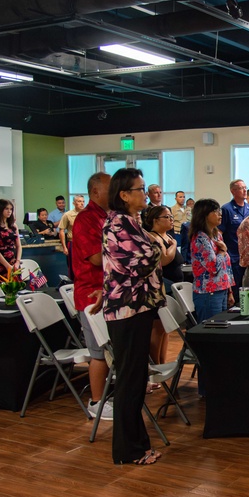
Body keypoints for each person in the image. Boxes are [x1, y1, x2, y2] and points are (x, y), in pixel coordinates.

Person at [99, 167, 165, 465]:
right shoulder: (117, 225)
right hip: (127, 309)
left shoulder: (132, 221)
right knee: (128, 380)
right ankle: (129, 450)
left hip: (138, 306)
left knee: (136, 379)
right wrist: (157, 245)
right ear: (124, 195)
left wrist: (155, 245)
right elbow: (144, 260)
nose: (146, 193)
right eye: (139, 189)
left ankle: (136, 444)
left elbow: (152, 253)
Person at [71, 171, 113, 420]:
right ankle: (96, 402)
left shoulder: (107, 216)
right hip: (90, 294)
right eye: (111, 188)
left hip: (108, 292)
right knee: (99, 352)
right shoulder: (86, 219)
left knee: (110, 350)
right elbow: (96, 258)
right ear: (96, 191)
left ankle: (108, 395)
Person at [142, 204, 180, 366]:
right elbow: (163, 260)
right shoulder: (154, 237)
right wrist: (172, 246)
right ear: (155, 220)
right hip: (159, 287)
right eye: (167, 217)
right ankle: (156, 365)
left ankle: (163, 363)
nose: (171, 220)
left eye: (171, 217)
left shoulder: (167, 236)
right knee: (157, 329)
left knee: (165, 330)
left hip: (170, 287)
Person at [189, 198, 234, 323]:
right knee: (211, 330)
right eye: (215, 211)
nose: (220, 214)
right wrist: (222, 252)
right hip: (208, 292)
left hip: (222, 289)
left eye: (219, 210)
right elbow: (213, 267)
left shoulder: (216, 235)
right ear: (204, 215)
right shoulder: (200, 238)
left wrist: (229, 290)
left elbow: (226, 266)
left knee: (221, 329)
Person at [219, 179, 249, 293]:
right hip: (234, 255)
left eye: (245, 187)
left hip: (248, 255)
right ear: (233, 191)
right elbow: (219, 233)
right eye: (241, 188)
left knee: (248, 287)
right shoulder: (226, 209)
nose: (245, 190)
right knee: (236, 287)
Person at [0, 199, 22, 283]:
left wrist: (17, 262)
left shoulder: (13, 225)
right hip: (1, 261)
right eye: (6, 209)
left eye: (11, 209)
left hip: (14, 261)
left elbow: (19, 246)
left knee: (16, 287)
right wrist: (7, 265)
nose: (9, 211)